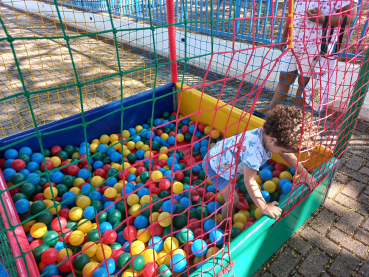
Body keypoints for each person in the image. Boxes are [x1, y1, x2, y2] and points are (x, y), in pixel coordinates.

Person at [202, 105, 318, 222]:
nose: (283, 153)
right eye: (282, 150)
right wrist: (264, 207)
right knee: (233, 200)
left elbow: (287, 154)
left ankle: (233, 175)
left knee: (238, 177)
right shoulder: (253, 152)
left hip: (224, 156)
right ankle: (225, 226)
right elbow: (250, 181)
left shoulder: (269, 133)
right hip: (214, 166)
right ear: (272, 140)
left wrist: (304, 174)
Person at [257, 0, 358, 115]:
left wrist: (322, 19)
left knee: (304, 82)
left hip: (316, 46)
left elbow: (350, 17)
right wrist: (284, 36)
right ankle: (272, 108)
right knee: (285, 77)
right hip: (293, 43)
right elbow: (292, 15)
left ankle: (295, 115)